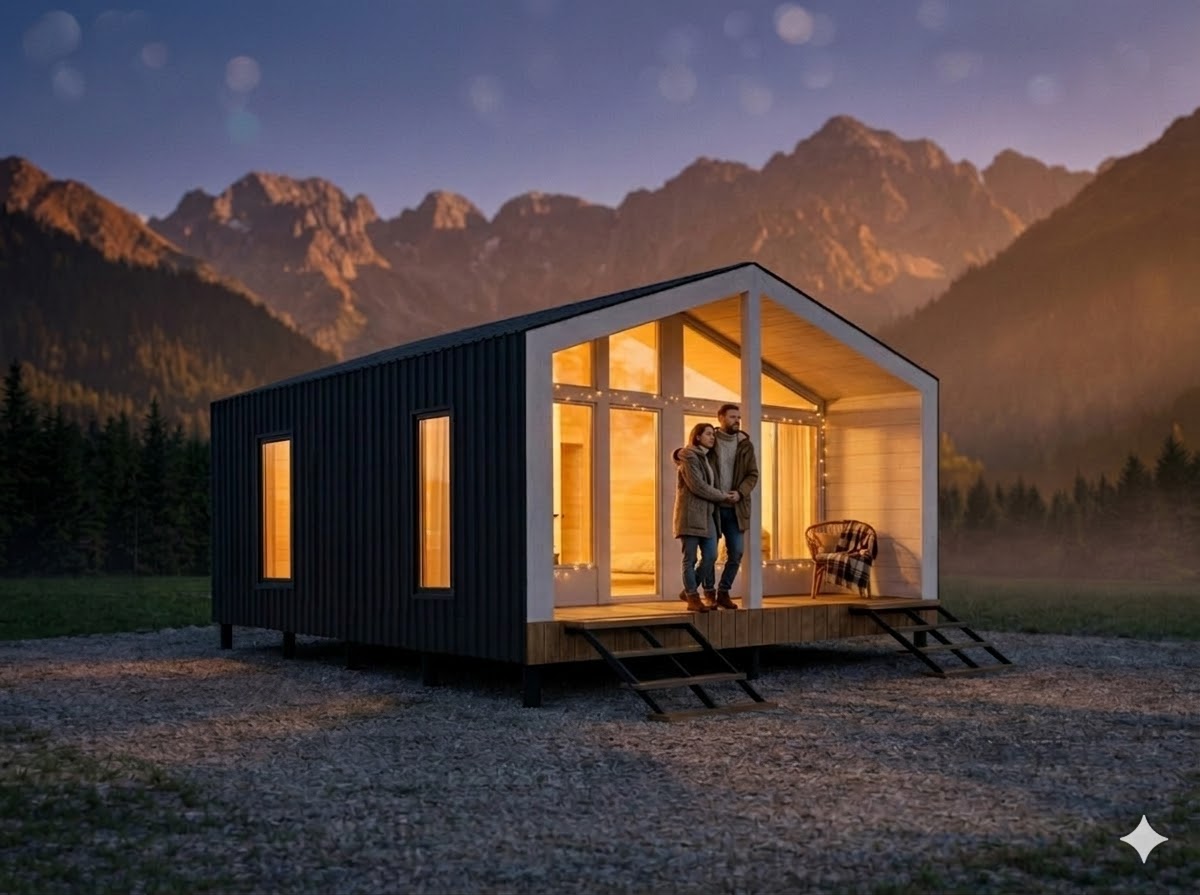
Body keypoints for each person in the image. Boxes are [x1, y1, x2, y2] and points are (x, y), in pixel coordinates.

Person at [672, 423, 739, 613]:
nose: (712, 437)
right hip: (690, 515)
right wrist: (723, 496)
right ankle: (693, 597)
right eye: (708, 434)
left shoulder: (708, 458)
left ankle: (689, 590)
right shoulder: (689, 457)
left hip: (708, 515)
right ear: (698, 436)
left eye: (713, 434)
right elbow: (698, 486)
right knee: (690, 558)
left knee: (711, 555)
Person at [706, 403, 759, 610]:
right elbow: (691, 457)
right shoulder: (709, 440)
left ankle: (724, 592)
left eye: (738, 417)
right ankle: (709, 593)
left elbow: (752, 474)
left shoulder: (745, 444)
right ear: (720, 418)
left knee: (736, 552)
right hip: (712, 507)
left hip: (737, 508)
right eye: (732, 417)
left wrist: (740, 492)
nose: (736, 420)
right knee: (709, 554)